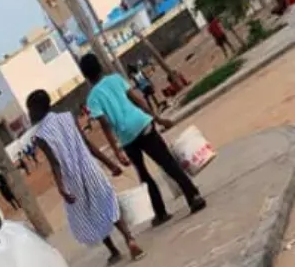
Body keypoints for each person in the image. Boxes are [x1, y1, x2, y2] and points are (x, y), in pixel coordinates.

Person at [80, 53, 206, 223]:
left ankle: (160, 213)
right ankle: (193, 197)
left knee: (144, 175)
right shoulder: (116, 79)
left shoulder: (92, 98)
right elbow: (138, 100)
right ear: (100, 66)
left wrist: (117, 151)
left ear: (85, 76)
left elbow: (106, 125)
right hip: (143, 123)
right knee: (167, 162)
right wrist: (158, 118)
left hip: (126, 138)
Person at [26, 90, 143, 265]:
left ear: (37, 109)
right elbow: (87, 145)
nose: (29, 114)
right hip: (90, 169)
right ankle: (129, 239)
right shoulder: (68, 117)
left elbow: (55, 164)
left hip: (71, 179)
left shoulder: (41, 136)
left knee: (90, 212)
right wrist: (110, 164)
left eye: (30, 109)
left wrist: (61, 188)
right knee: (108, 203)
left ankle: (113, 250)